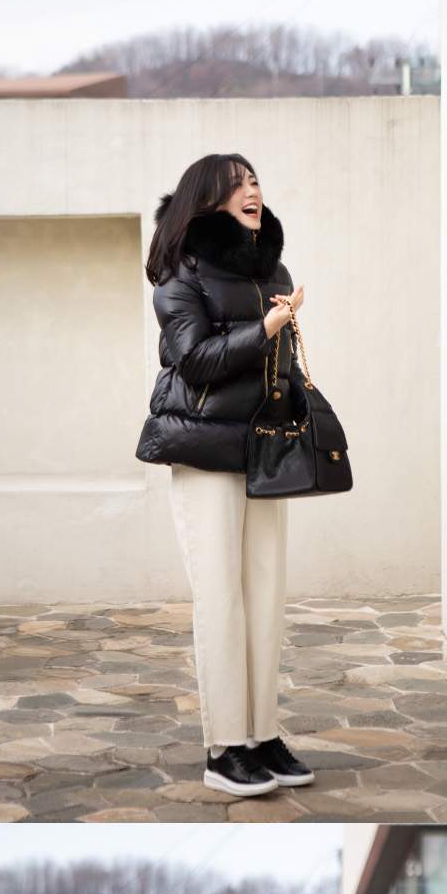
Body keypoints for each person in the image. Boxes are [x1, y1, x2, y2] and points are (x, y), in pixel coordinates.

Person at [137, 143, 348, 799]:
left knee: (265, 596)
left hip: (262, 452)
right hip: (205, 453)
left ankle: (260, 733)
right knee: (221, 598)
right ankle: (223, 745)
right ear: (208, 198)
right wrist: (268, 326)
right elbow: (194, 359)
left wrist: (290, 394)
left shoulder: (271, 266)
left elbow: (276, 363)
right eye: (238, 182)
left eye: (255, 179)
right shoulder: (181, 271)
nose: (253, 189)